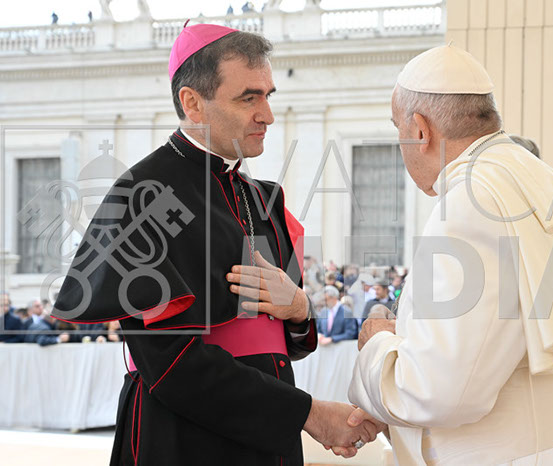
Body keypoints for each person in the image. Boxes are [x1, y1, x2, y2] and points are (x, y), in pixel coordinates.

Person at [52, 24, 383, 465]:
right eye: (249, 98)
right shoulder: (142, 197)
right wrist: (308, 414)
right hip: (184, 439)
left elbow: (288, 346)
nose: (267, 115)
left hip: (268, 437)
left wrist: (300, 308)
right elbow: (173, 367)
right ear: (193, 103)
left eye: (268, 95)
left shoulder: (263, 198)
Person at [346, 44, 553, 464]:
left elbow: (441, 391)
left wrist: (378, 344)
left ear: (420, 131)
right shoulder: (534, 176)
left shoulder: (471, 201)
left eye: (397, 128)